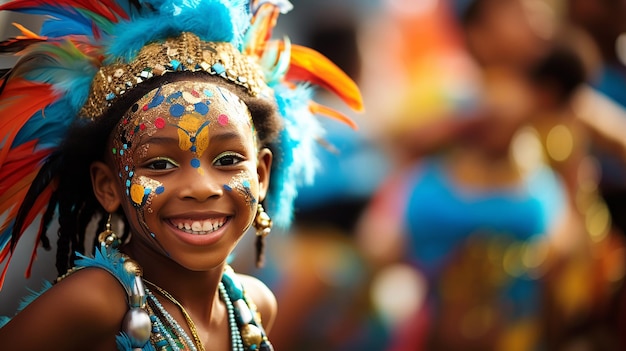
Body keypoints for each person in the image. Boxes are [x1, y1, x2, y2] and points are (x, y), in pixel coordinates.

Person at [0, 0, 362, 350]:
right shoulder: (96, 303)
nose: (201, 188)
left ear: (262, 173)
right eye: (159, 164)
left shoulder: (254, 307)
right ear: (107, 186)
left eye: (228, 159)